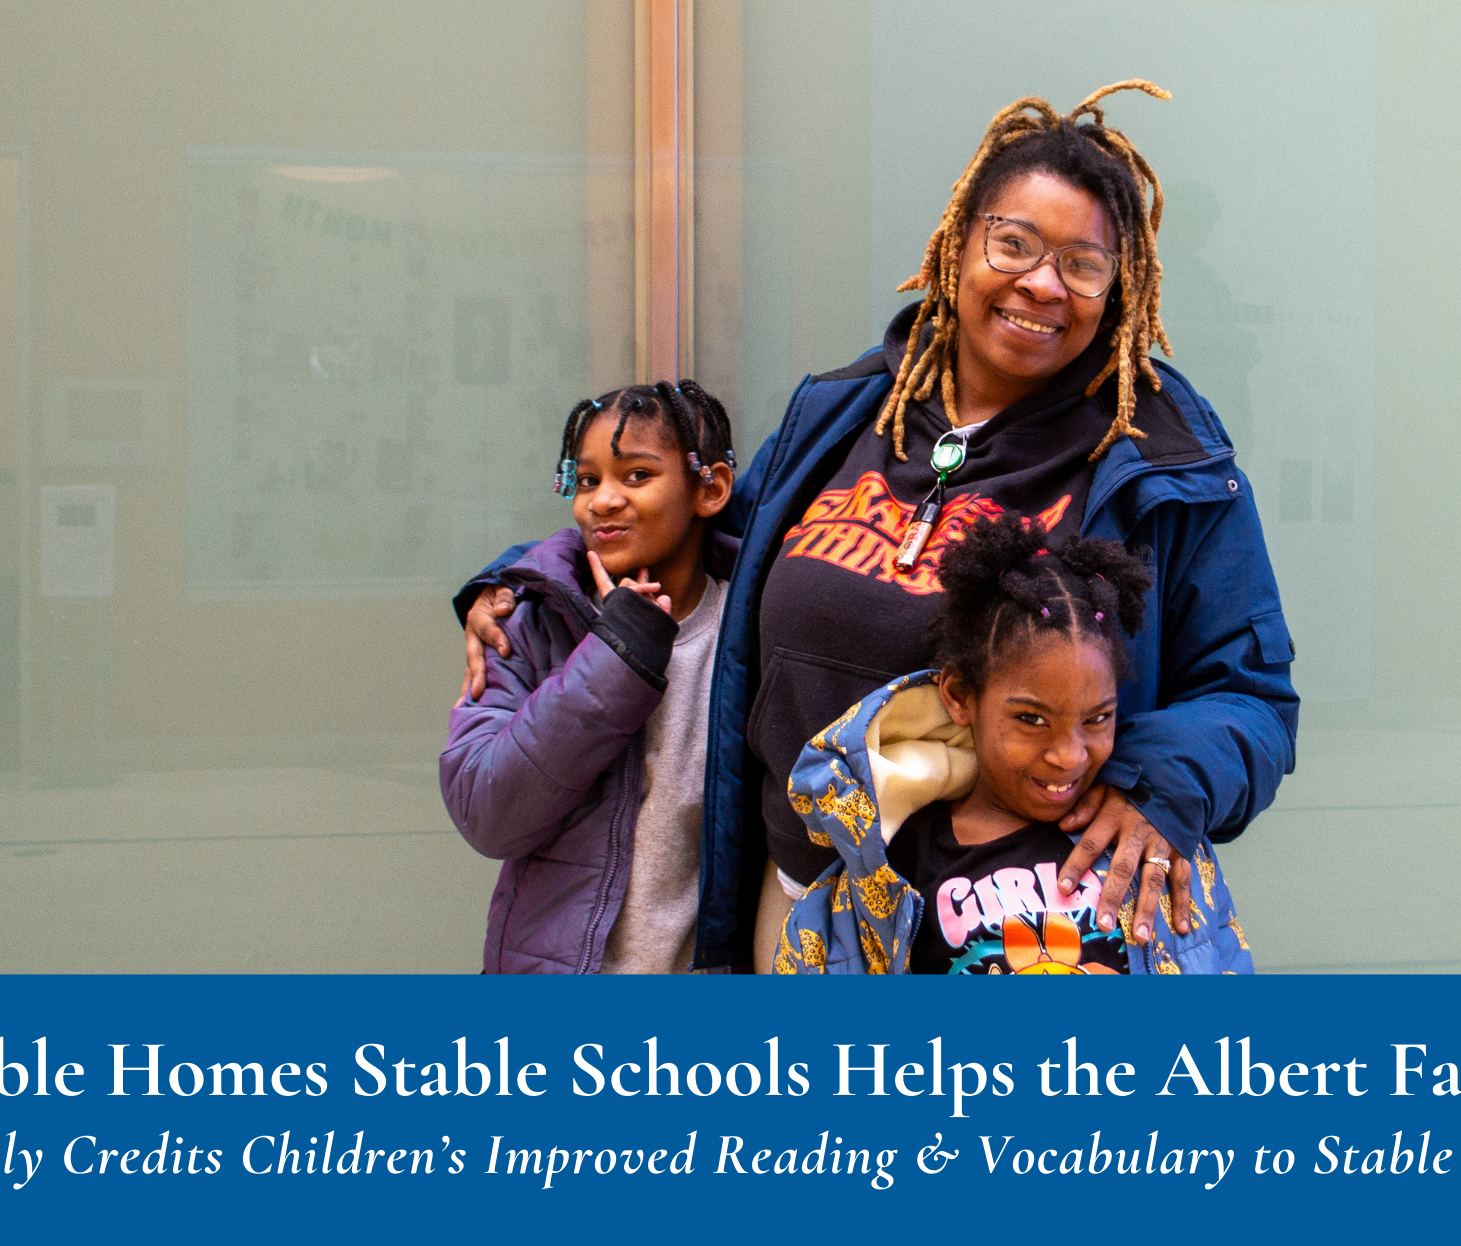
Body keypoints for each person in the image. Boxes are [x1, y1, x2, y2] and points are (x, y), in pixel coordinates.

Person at [456, 82, 1298, 973]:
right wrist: (528, 579)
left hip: (1009, 939)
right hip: (802, 909)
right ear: (956, 246)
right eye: (1012, 243)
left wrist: (1158, 783)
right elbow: (691, 540)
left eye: (1083, 264)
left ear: (1118, 288)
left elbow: (1252, 696)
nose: (1042, 283)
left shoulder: (1162, 464)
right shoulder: (845, 414)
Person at [774, 513, 1250, 974]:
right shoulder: (895, 863)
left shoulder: (1148, 835)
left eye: (1098, 718)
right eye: (1031, 719)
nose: (1069, 755)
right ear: (961, 697)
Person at [441, 381, 736, 973]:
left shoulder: (750, 624)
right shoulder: (526, 620)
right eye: (586, 480)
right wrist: (616, 653)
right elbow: (485, 811)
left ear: (711, 487)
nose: (601, 501)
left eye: (636, 476)